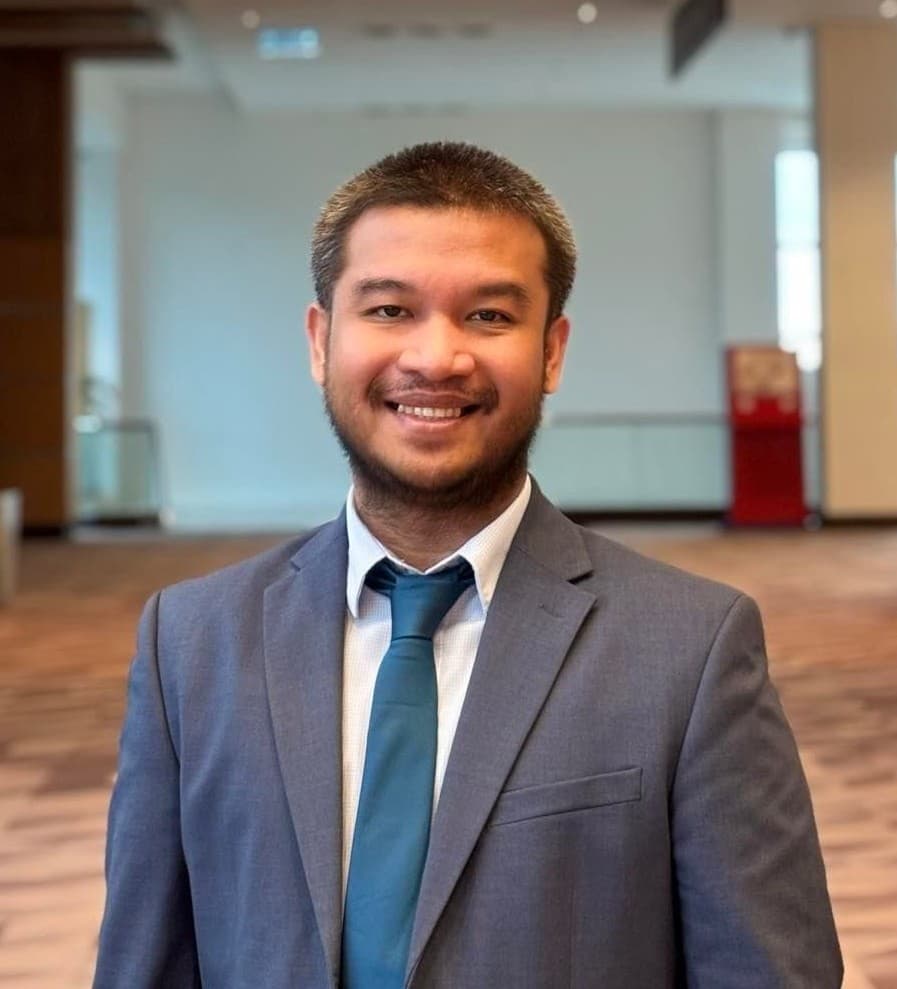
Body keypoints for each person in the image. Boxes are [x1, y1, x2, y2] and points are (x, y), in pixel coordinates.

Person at [94, 141, 842, 988]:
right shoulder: (190, 642)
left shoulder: (689, 648)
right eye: (388, 309)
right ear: (320, 340)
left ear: (551, 351)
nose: (435, 358)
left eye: (488, 316)